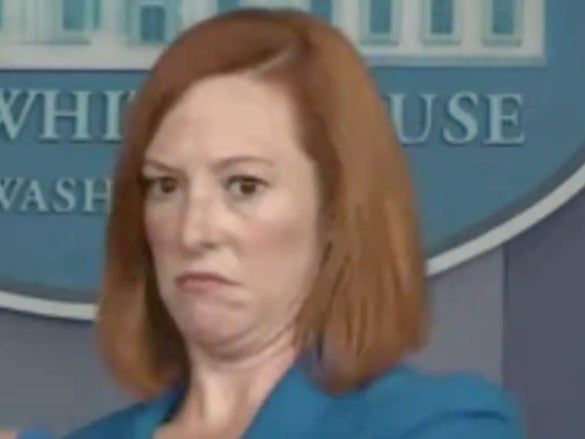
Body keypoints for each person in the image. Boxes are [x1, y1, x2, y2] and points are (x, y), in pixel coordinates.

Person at [16, 7, 523, 439]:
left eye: (244, 186)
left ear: (335, 211)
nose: (194, 232)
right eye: (166, 185)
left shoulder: (437, 424)